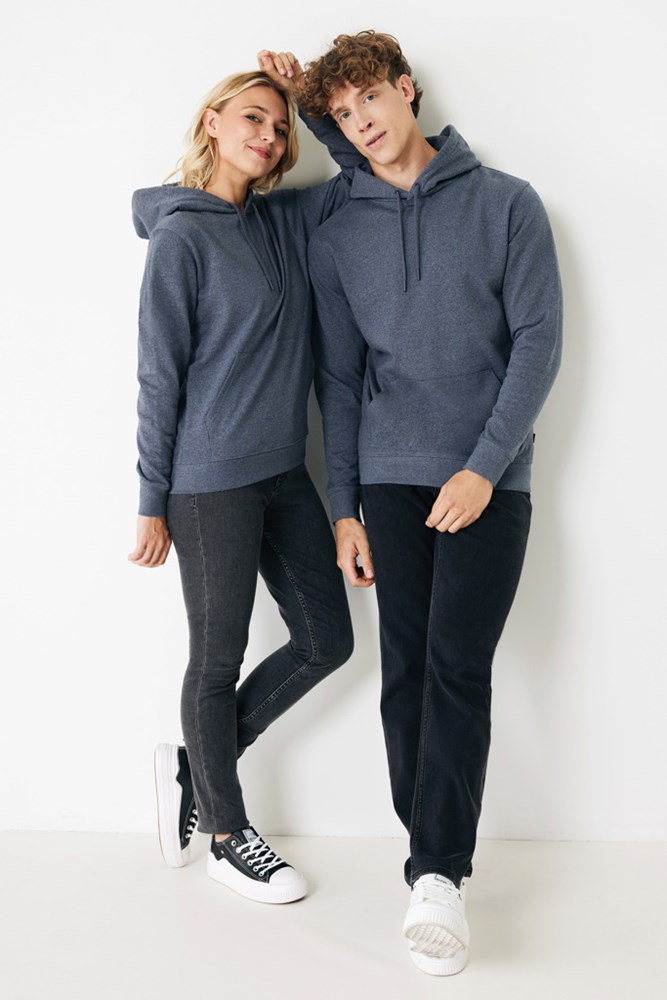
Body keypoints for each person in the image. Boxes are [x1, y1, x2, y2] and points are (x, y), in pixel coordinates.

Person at [301, 30, 562, 973]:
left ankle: (437, 872)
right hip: (386, 476)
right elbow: (338, 380)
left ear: (405, 89)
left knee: (457, 666)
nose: (361, 121)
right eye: (341, 114)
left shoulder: (506, 204)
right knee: (405, 671)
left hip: (487, 478)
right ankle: (432, 868)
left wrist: (484, 466)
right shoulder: (337, 232)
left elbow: (537, 341)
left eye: (370, 97)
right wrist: (343, 507)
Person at [128, 56, 361, 905]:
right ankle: (227, 836)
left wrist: (311, 103)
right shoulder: (181, 239)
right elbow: (159, 377)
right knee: (216, 660)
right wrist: (151, 500)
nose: (268, 135)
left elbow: (361, 172)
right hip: (207, 484)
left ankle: (196, 769)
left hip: (283, 474)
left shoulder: (282, 220)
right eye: (253, 118)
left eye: (279, 125)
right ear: (213, 122)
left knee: (326, 642)